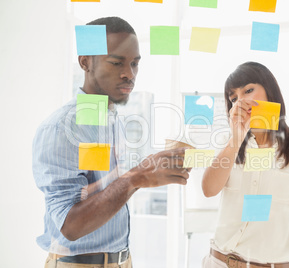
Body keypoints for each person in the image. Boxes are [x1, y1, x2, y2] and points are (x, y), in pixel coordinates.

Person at [32, 17, 190, 268]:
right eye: (117, 62)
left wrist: (148, 174)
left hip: (122, 261)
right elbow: (70, 227)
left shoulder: (113, 120)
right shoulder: (60, 128)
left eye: (135, 64)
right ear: (85, 62)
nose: (129, 74)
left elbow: (105, 193)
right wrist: (138, 177)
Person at [202, 62, 289, 268]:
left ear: (270, 91)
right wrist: (235, 140)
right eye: (233, 98)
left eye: (249, 90)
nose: (241, 101)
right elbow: (209, 189)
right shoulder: (228, 146)